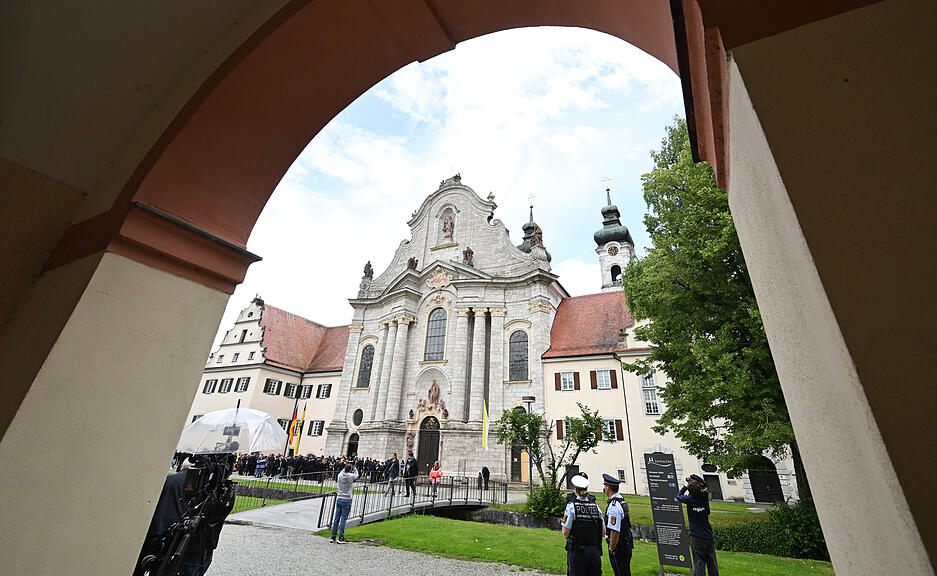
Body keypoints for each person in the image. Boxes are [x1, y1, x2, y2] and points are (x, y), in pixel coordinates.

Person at [133, 457, 235, 576]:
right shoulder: (210, 488)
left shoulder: (169, 480)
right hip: (190, 542)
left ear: (182, 466)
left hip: (160, 536)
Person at [561, 474, 605, 576]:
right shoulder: (595, 507)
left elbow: (565, 531)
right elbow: (603, 532)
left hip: (578, 551)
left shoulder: (571, 507)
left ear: (575, 490)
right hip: (594, 551)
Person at [675, 474, 719, 576]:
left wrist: (685, 486)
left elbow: (678, 496)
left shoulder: (690, 500)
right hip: (708, 535)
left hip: (697, 537)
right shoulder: (704, 499)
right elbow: (707, 511)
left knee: (699, 563)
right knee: (712, 563)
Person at [602, 473, 633, 576]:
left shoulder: (614, 506)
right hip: (625, 543)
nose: (604, 488)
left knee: (620, 572)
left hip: (619, 547)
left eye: (605, 486)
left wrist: (612, 548)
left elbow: (615, 531)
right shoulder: (621, 500)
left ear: (608, 487)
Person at [330, 462, 359, 544]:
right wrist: (354, 467)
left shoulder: (340, 475)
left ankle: (333, 537)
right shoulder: (351, 476)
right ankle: (341, 537)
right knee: (343, 519)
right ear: (350, 470)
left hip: (339, 498)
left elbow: (343, 471)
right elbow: (357, 475)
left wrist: (348, 466)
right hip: (347, 499)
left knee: (336, 518)